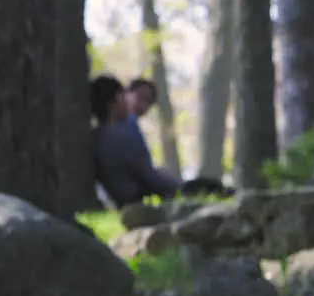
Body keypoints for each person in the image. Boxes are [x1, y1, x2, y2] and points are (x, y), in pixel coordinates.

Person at [91, 76, 233, 207]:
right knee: (209, 189)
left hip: (133, 194)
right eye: (122, 96)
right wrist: (178, 188)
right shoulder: (121, 133)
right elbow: (147, 175)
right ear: (115, 100)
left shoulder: (100, 135)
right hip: (138, 198)